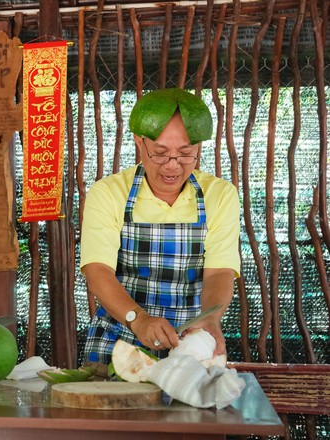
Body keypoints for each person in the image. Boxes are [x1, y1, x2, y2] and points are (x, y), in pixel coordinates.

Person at [81, 88, 240, 367]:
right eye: (160, 153)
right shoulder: (108, 192)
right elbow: (97, 271)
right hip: (119, 338)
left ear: (199, 149)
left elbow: (220, 271)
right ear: (140, 143)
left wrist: (209, 319)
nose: (172, 166)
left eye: (185, 154)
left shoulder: (220, 194)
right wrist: (137, 318)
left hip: (189, 343)